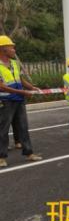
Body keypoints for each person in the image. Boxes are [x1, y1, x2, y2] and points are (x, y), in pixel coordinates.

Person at [0, 36, 42, 167]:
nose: (14, 49)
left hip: (19, 100)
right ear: (3, 49)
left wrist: (31, 87)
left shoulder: (14, 63)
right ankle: (1, 157)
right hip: (6, 101)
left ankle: (29, 153)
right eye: (11, 47)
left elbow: (20, 79)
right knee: (3, 129)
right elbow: (1, 86)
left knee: (23, 127)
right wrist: (22, 92)